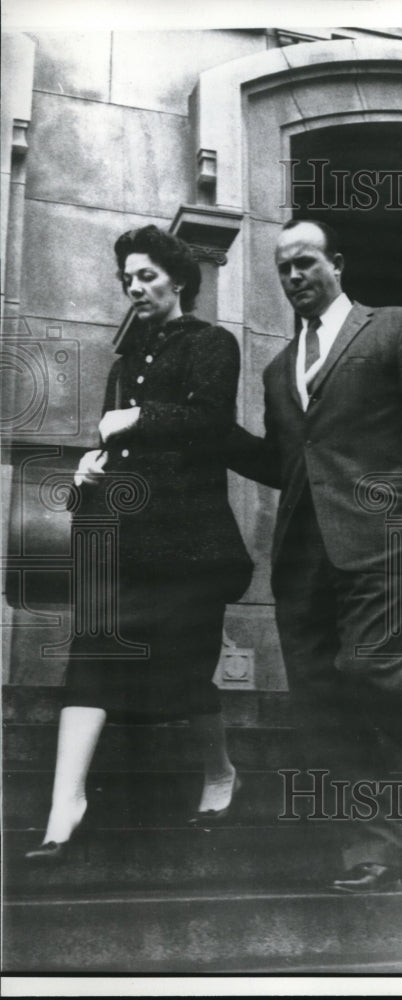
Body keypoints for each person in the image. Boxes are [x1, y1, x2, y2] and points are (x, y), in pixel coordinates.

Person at [228, 218, 402, 892]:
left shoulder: (394, 326)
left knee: (372, 664)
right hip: (302, 551)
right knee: (321, 703)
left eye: (305, 263)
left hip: (380, 535)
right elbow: (292, 462)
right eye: (283, 269)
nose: (293, 278)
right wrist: (210, 435)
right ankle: (371, 847)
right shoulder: (279, 367)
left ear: (335, 262)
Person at [25, 225, 253, 862]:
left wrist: (139, 418)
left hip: (190, 544)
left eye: (147, 276)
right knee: (90, 656)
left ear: (177, 279)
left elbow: (212, 423)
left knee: (184, 670)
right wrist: (87, 470)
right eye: (128, 279)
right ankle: (63, 808)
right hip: (122, 541)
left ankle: (220, 772)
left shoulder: (213, 343)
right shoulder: (126, 364)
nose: (136, 287)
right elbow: (113, 446)